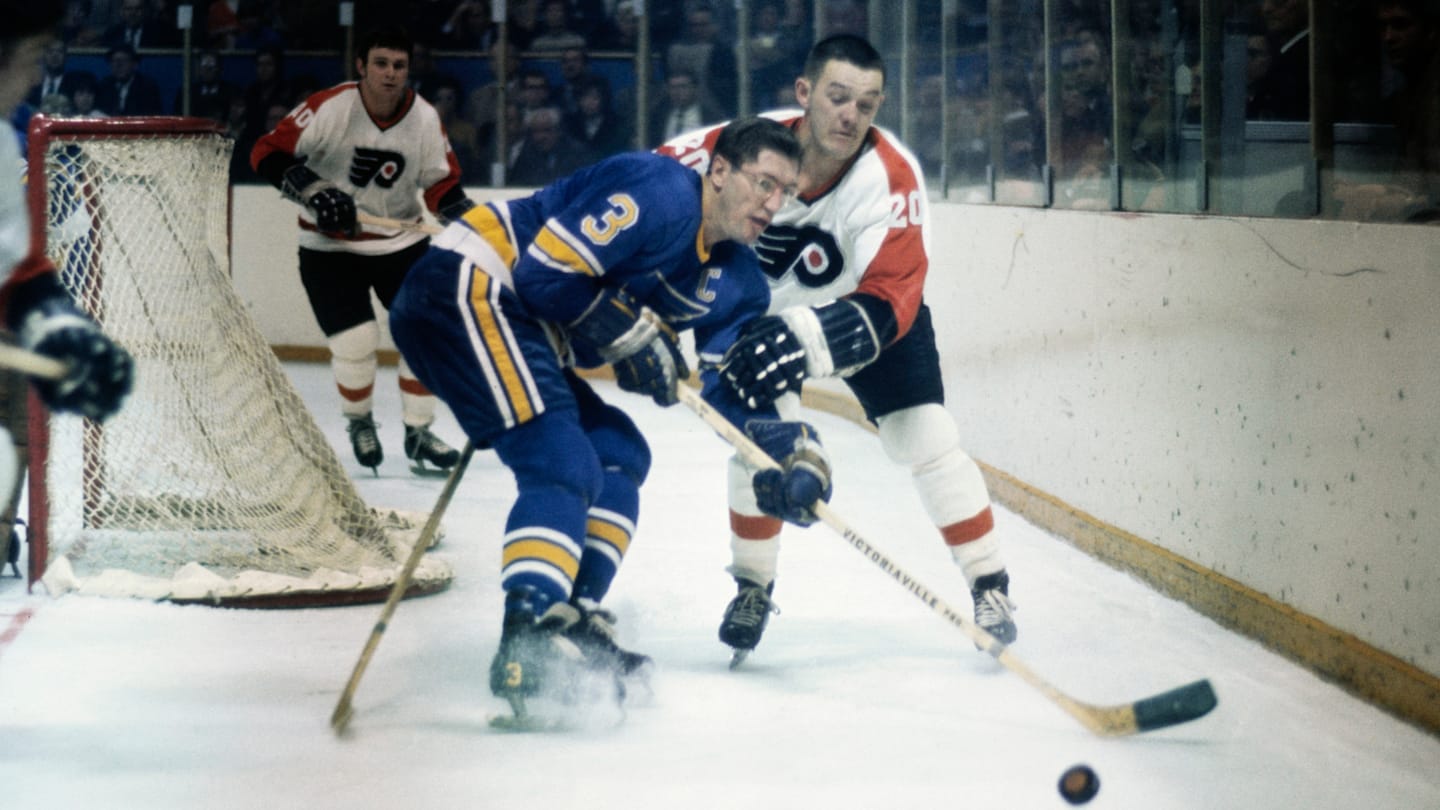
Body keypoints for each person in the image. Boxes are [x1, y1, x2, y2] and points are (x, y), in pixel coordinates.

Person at [386, 116, 826, 717]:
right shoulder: (661, 191)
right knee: (561, 461)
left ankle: (570, 616)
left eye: (787, 194)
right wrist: (625, 331)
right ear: (719, 170)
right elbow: (542, 274)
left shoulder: (740, 282)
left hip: (527, 330)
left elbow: (727, 392)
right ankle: (527, 631)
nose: (774, 205)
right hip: (470, 285)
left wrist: (777, 452)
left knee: (620, 454)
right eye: (765, 184)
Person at [657, 34, 1018, 660]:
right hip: (756, 315)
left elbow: (894, 297)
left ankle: (990, 582)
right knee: (760, 445)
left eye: (867, 103)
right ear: (804, 94)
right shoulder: (746, 144)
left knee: (926, 438)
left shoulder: (891, 178)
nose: (851, 115)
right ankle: (752, 587)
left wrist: (804, 340)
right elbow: (653, 180)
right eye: (838, 97)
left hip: (858, 313)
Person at [250, 25, 469, 477]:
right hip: (328, 246)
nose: (391, 74)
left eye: (400, 66)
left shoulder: (424, 117)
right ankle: (360, 422)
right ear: (361, 67)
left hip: (400, 245)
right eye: (381, 64)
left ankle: (419, 432)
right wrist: (312, 191)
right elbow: (266, 152)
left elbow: (441, 183)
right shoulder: (331, 107)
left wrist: (463, 215)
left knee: (425, 331)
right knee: (355, 341)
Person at [0, 5, 135, 565]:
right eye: (30, 58)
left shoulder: (4, 145)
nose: (34, 77)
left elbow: (15, 269)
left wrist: (61, 331)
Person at [508, 106, 595, 186]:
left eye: (547, 130)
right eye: (536, 131)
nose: (541, 137)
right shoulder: (526, 154)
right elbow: (518, 184)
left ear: (558, 131)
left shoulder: (577, 153)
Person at [94, 43, 165, 116]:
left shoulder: (147, 87)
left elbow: (154, 116)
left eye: (124, 60)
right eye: (114, 61)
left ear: (135, 65)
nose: (118, 65)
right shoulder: (104, 86)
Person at [24, 39, 94, 110]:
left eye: (59, 51)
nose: (55, 55)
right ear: (43, 56)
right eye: (50, 51)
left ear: (66, 57)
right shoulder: (33, 85)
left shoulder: (74, 84)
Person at [173, 50, 237, 124]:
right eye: (204, 66)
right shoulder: (186, 93)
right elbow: (177, 117)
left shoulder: (231, 91)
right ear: (199, 69)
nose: (207, 71)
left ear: (219, 69)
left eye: (211, 67)